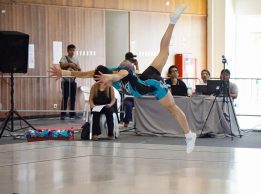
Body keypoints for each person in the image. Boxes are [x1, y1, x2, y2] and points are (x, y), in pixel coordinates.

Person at [50, 4, 197, 153]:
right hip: (146, 77)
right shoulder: (106, 72)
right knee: (164, 52)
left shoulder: (120, 71)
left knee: (172, 108)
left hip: (152, 85)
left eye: (102, 80)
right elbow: (83, 74)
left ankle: (189, 135)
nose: (102, 84)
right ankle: (172, 21)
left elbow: (120, 75)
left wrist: (110, 77)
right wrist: (63, 73)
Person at [89, 66, 116, 141]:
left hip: (107, 106)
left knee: (109, 114)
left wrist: (110, 104)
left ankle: (110, 133)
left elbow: (113, 100)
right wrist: (92, 105)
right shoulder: (94, 87)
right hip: (97, 106)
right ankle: (95, 134)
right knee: (95, 114)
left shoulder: (110, 87)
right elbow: (90, 99)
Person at [59, 44, 81, 120]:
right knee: (65, 97)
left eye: (73, 50)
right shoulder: (64, 58)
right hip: (65, 81)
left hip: (73, 81)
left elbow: (79, 70)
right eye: (71, 50)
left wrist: (78, 69)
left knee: (73, 98)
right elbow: (61, 66)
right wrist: (69, 64)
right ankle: (63, 114)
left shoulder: (76, 59)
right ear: (68, 51)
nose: (72, 52)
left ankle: (72, 114)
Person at [119, 52, 139, 127]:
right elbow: (136, 75)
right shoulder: (129, 65)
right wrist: (136, 65)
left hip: (122, 87)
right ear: (131, 58)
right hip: (127, 88)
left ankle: (125, 121)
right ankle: (130, 121)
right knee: (131, 102)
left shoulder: (122, 63)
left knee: (127, 104)